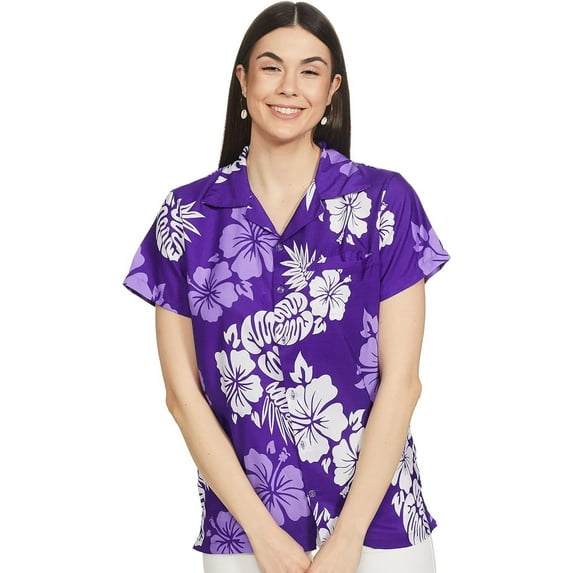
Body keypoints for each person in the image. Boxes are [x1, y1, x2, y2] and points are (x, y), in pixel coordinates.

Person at [123, 2, 450, 571]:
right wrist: (263, 535)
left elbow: (402, 384)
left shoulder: (384, 203)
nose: (289, 87)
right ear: (243, 80)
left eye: (310, 71)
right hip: (243, 531)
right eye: (271, 67)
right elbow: (182, 396)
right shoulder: (186, 217)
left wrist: (347, 539)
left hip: (380, 527)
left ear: (332, 90)